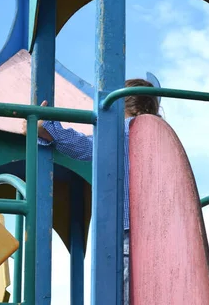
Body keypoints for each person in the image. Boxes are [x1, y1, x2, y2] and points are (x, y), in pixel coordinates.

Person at [28, 78, 161, 305]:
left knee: (121, 291)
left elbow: (84, 146)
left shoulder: (123, 132)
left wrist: (47, 128)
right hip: (153, 231)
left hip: (125, 229)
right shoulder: (158, 137)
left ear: (119, 106)